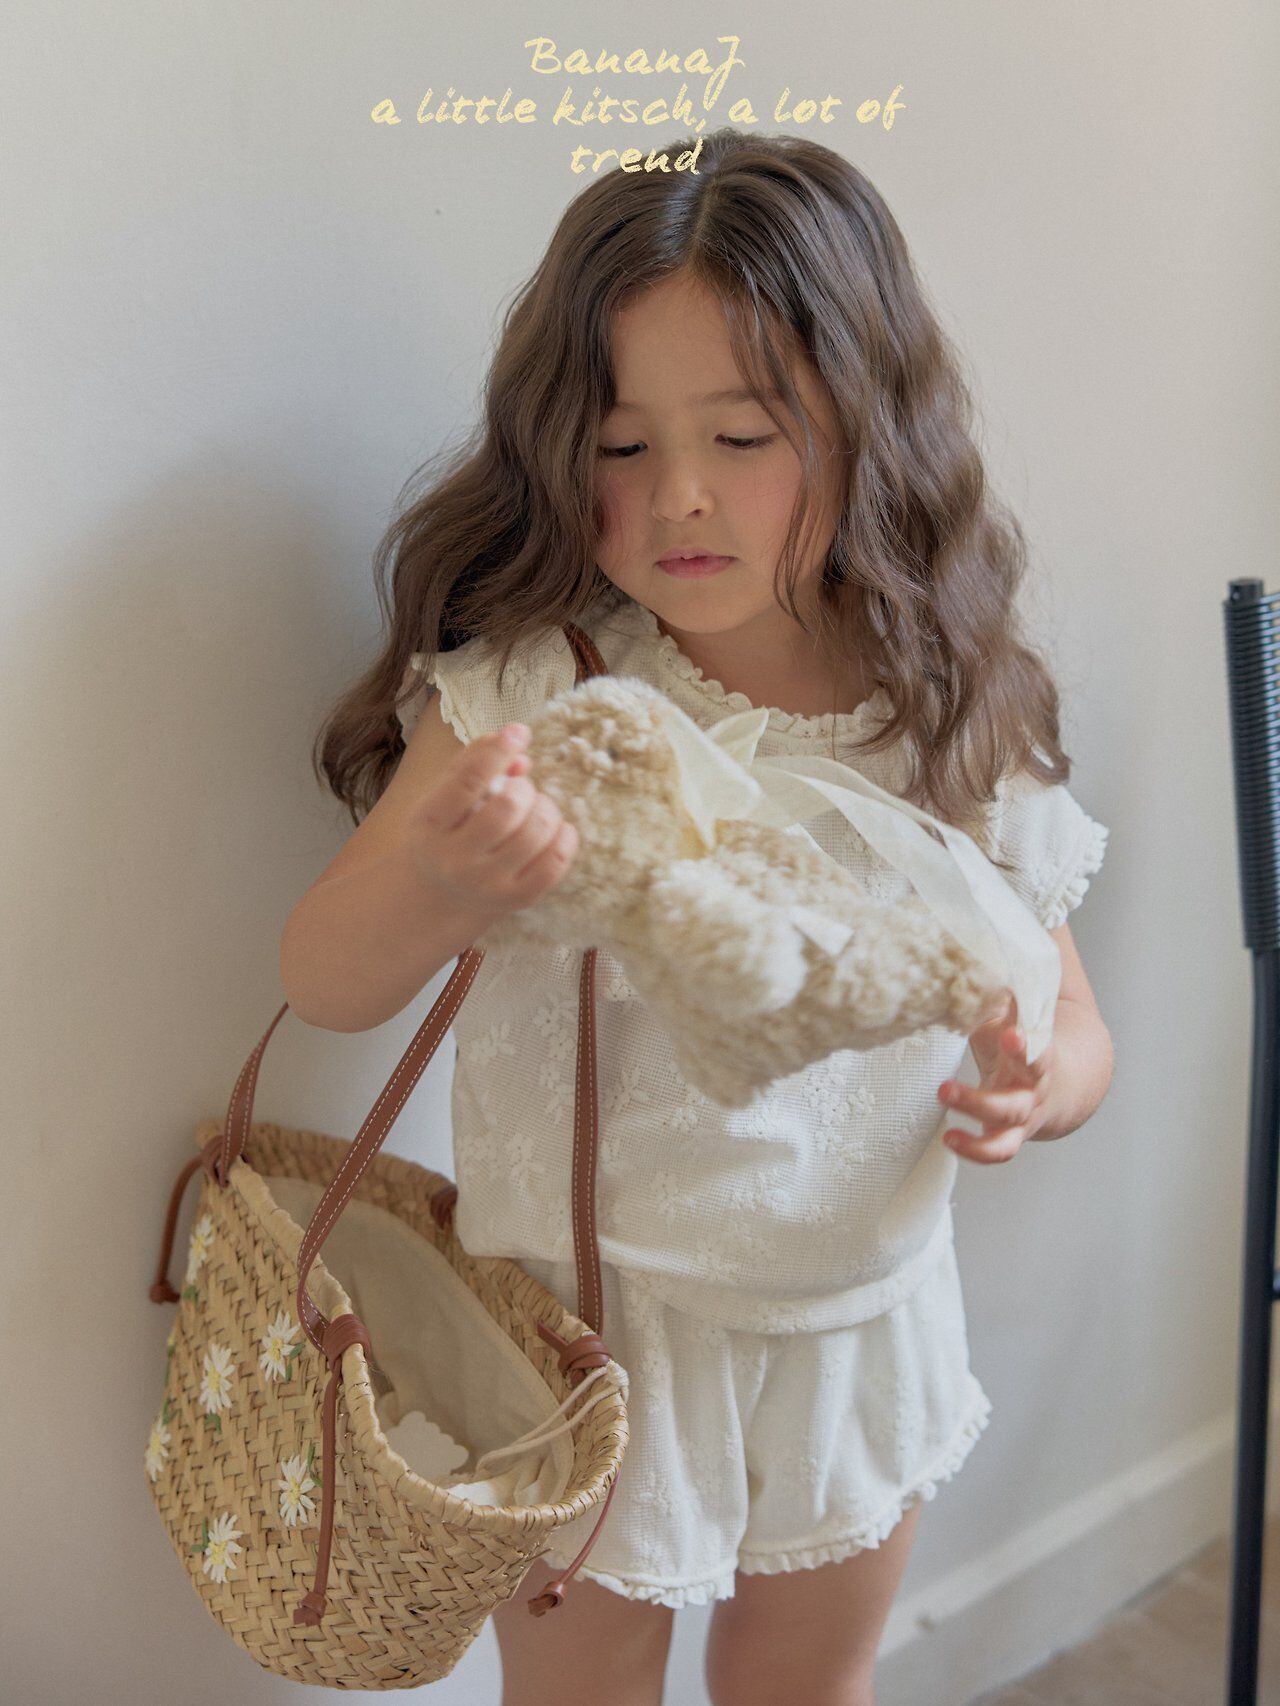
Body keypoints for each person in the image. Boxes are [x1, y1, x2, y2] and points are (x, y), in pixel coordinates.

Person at [281, 129, 1114, 1706]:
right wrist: (444, 883)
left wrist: (1043, 1084)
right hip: (588, 1333)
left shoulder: (950, 709)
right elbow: (321, 978)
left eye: (742, 434)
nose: (679, 495)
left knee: (808, 1679)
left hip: (860, 1318)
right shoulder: (545, 690)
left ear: (871, 423)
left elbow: (1073, 1017)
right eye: (618, 445)